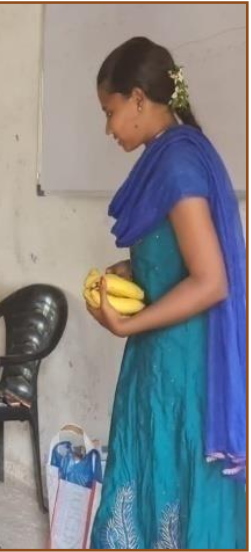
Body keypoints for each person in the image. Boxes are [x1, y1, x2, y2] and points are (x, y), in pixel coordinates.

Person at [86, 37, 246, 549]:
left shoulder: (177, 164)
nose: (109, 127)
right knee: (152, 474)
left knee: (171, 481)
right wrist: (133, 267)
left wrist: (128, 323)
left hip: (179, 364)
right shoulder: (171, 155)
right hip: (160, 357)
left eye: (110, 112)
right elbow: (175, 253)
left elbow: (210, 280)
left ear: (138, 98)